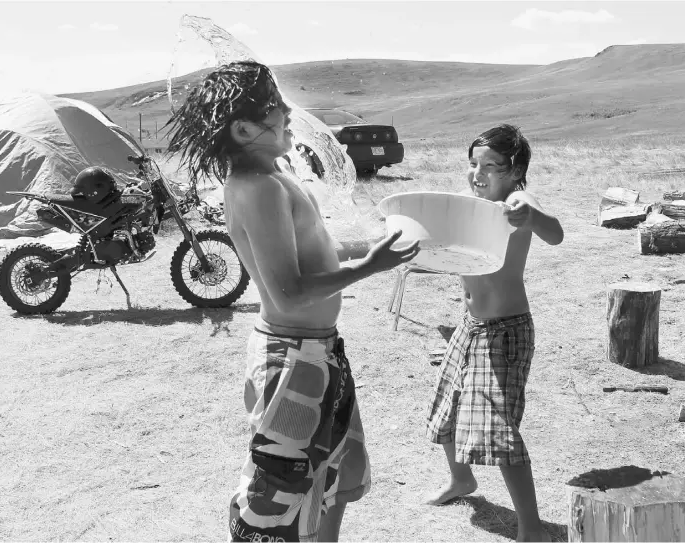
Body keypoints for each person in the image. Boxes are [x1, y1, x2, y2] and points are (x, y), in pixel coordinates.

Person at [165, 60, 420, 542]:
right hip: (292, 361)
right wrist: (370, 267)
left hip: (317, 352)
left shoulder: (274, 178)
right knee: (276, 502)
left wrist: (380, 248)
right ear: (243, 128)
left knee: (337, 476)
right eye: (274, 105)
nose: (288, 111)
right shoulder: (258, 188)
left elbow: (316, 254)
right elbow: (288, 290)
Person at [424, 124, 563, 542]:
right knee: (447, 405)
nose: (477, 173)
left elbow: (554, 232)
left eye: (490, 166)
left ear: (515, 169)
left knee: (500, 430)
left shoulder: (518, 201)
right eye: (473, 164)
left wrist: (530, 215)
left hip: (504, 331)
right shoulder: (470, 203)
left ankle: (532, 528)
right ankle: (461, 480)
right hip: (469, 326)